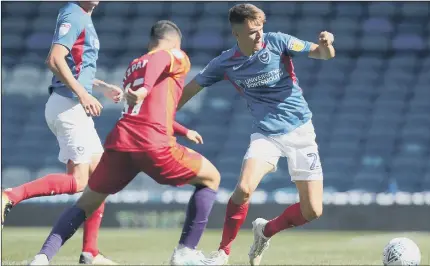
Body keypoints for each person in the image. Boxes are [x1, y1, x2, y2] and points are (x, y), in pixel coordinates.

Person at [28, 20, 222, 266]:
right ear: (175, 41)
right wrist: (144, 90)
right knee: (212, 177)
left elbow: (148, 109)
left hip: (121, 143)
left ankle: (42, 257)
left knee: (87, 202)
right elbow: (160, 63)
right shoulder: (174, 54)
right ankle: (186, 252)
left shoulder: (133, 66)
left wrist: (183, 130)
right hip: (153, 143)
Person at [178, 3, 336, 266]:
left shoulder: (278, 42)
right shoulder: (225, 62)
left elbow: (322, 54)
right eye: (252, 32)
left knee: (313, 211)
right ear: (236, 34)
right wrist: (163, 113)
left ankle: (265, 231)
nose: (259, 35)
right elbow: (191, 88)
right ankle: (222, 253)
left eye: (260, 29)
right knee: (243, 188)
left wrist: (327, 43)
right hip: (266, 133)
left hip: (301, 131)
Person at [1, 1, 122, 264]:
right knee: (79, 181)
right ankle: (9, 195)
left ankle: (90, 252)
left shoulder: (83, 17)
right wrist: (83, 94)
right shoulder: (73, 13)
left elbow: (76, 66)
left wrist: (99, 87)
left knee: (102, 178)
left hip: (72, 103)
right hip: (68, 105)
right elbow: (54, 59)